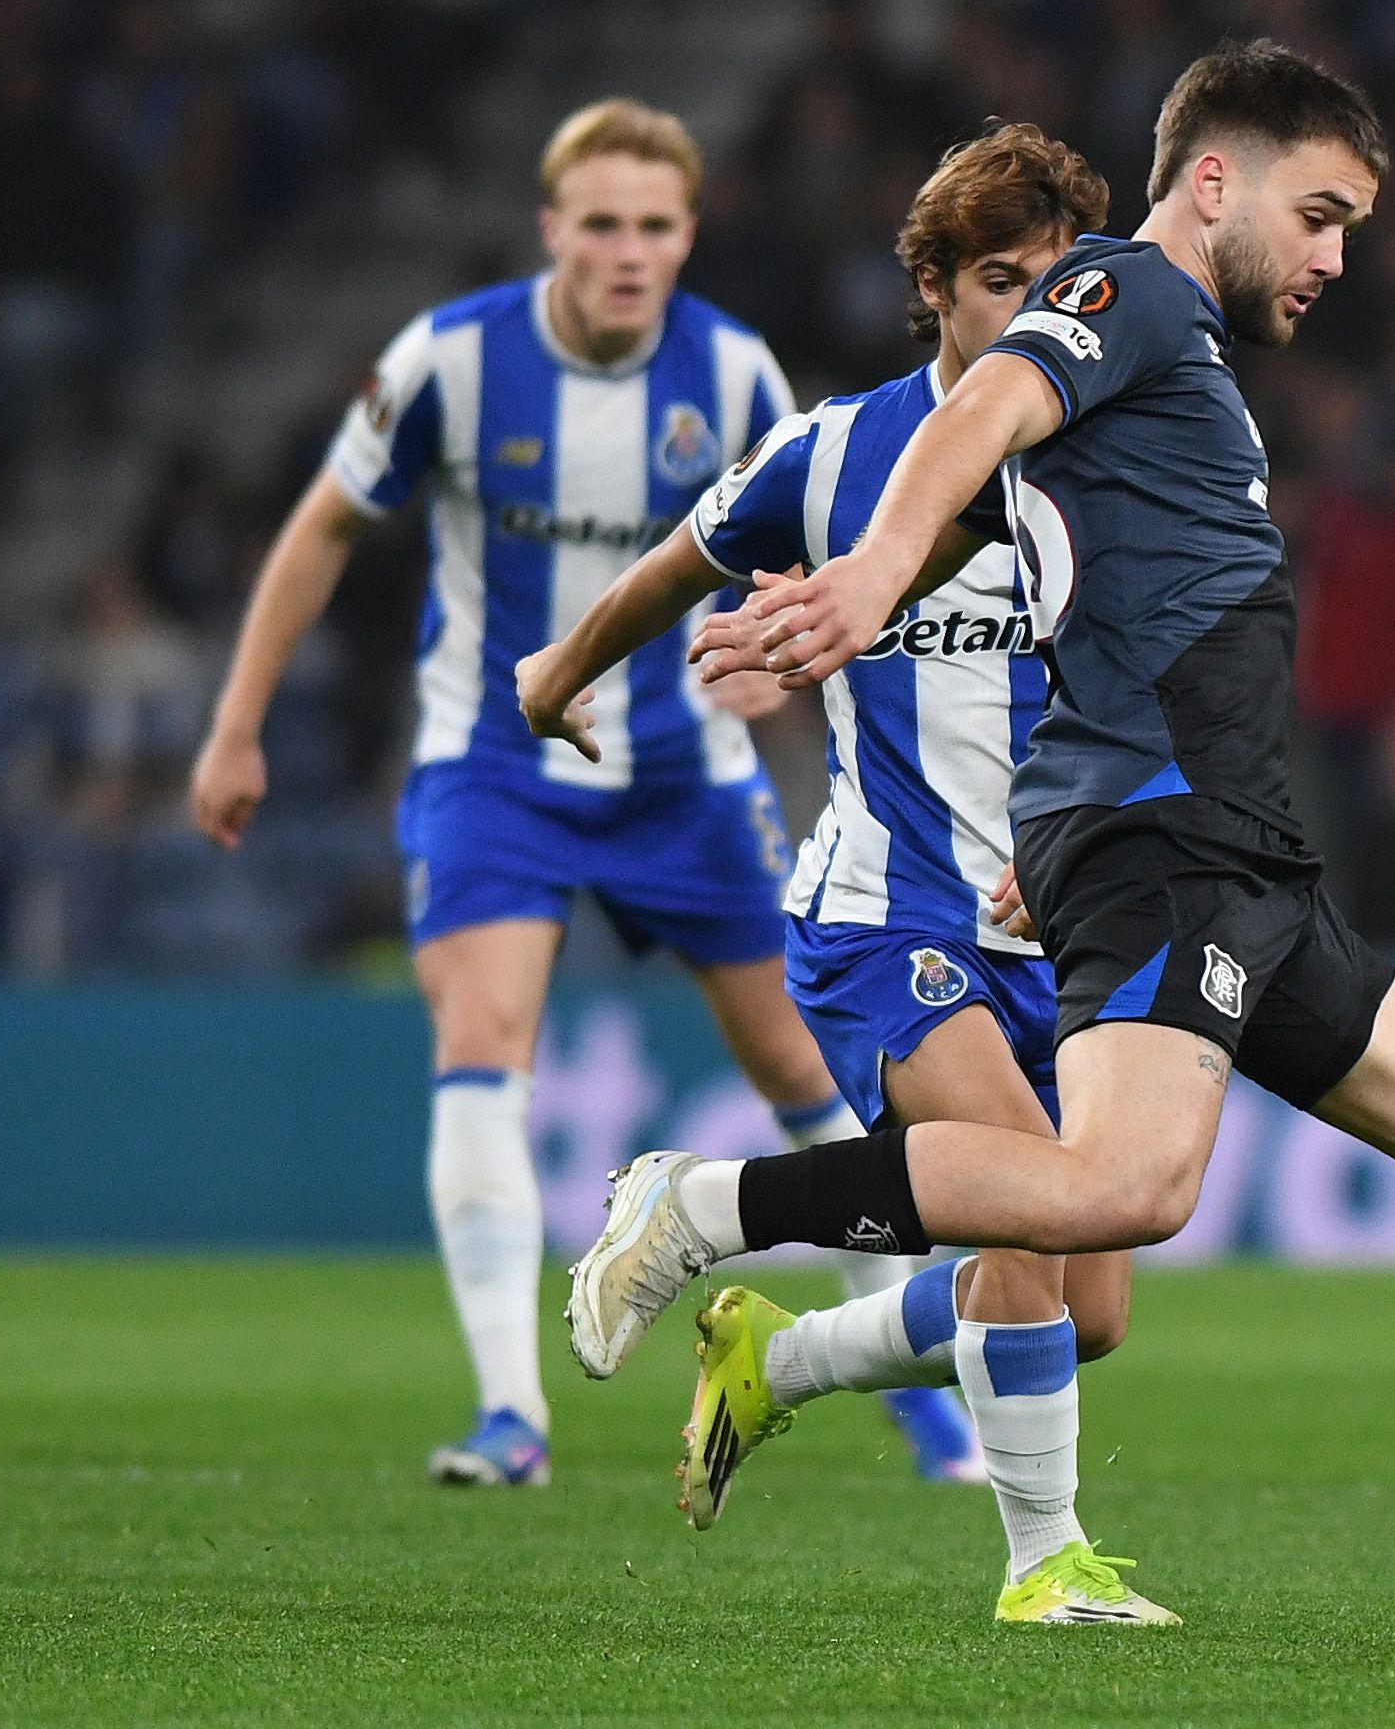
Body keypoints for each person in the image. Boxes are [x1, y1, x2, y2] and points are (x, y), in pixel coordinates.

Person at [560, 39, 1395, 1654]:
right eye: (1323, 213)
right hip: (1157, 829)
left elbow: (1041, 533)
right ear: (1218, 179)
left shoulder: (1161, 362)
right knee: (1117, 1193)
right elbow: (976, 402)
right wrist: (860, 583)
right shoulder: (1123, 291)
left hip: (1231, 841)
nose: (1339, 256)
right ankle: (706, 1206)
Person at [189, 99, 978, 1491]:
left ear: (688, 235)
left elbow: (798, 541)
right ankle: (510, 1413)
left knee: (801, 1069)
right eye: (601, 224)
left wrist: (766, 659)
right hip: (495, 763)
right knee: (486, 1031)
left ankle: (922, 1406)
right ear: (552, 229)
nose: (627, 251)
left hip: (682, 775)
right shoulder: (452, 360)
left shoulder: (733, 371)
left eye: (655, 226)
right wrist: (238, 722)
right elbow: (326, 520)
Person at [517, 123, 1166, 1624]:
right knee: (1026, 1214)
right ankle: (1043, 1562)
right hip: (892, 910)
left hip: (1059, 925)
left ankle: (777, 1354)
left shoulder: (1118, 466)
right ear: (933, 288)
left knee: (1095, 1302)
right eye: (997, 280)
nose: (1029, 313)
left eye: (1057, 282)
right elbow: (679, 559)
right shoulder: (838, 456)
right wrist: (562, 667)